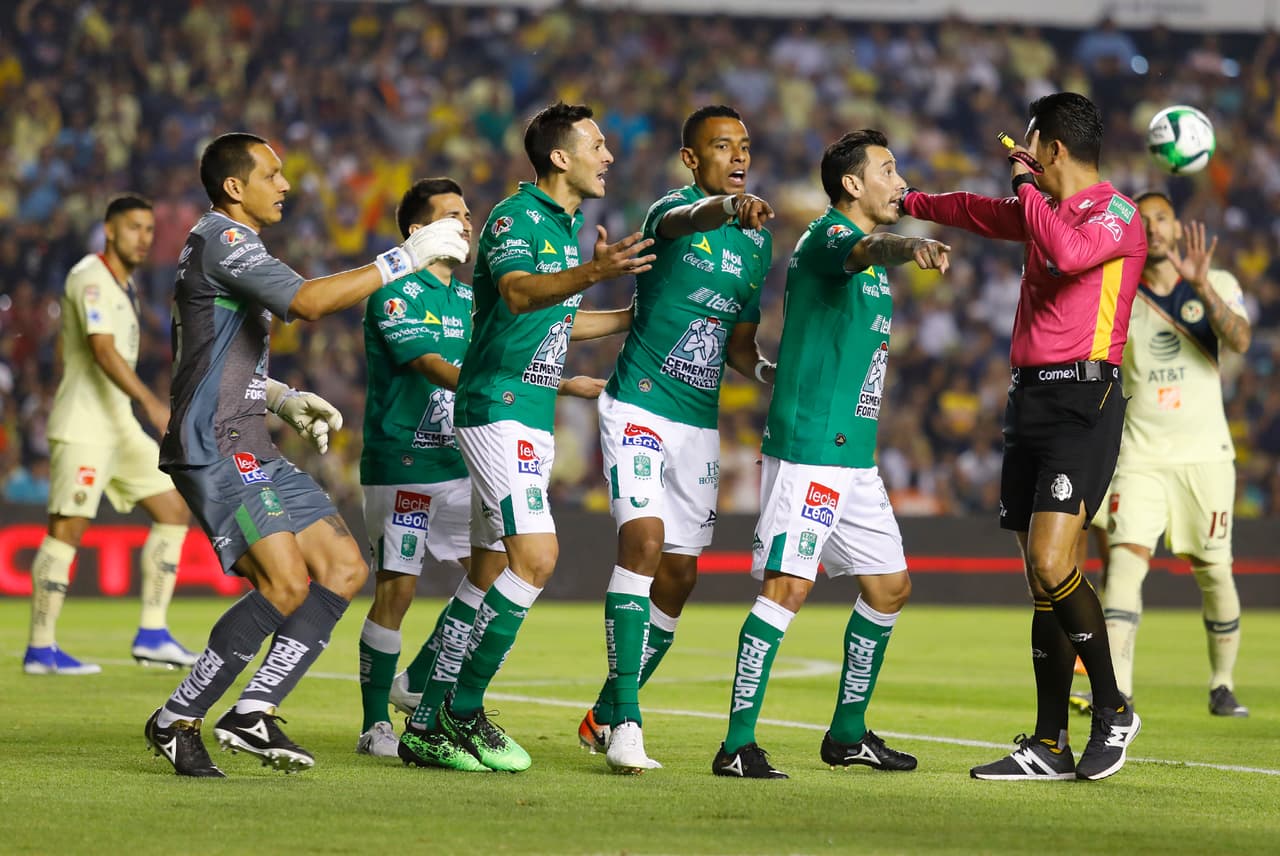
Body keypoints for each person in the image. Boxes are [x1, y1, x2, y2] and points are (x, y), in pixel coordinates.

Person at [143, 132, 469, 777]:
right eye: (271, 174)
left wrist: (281, 397)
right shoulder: (223, 238)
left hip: (248, 435)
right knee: (285, 584)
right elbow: (307, 304)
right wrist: (404, 257)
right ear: (234, 187)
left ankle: (252, 710)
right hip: (215, 442)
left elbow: (208, 353)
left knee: (343, 567)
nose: (285, 184)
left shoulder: (230, 246)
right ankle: (177, 718)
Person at [902, 92, 1146, 781]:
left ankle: (1113, 708)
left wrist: (1023, 185)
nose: (1022, 152)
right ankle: (1049, 743)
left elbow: (1068, 255)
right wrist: (909, 202)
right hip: (1029, 400)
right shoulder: (1046, 210)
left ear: (1051, 148)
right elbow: (973, 210)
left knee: (1050, 560)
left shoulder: (1115, 214)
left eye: (1029, 143)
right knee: (1041, 580)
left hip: (1083, 400)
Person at [712, 129, 951, 779]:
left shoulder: (865, 264)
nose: (900, 182)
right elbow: (870, 245)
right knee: (787, 588)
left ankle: (847, 735)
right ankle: (736, 745)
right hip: (812, 448)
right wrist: (912, 245)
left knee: (890, 587)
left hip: (854, 457)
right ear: (852, 184)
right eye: (887, 170)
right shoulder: (829, 239)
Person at [438, 101, 655, 773]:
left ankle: (426, 702)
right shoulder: (515, 216)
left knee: (495, 566)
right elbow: (517, 293)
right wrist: (594, 274)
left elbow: (557, 318)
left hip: (530, 413)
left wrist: (633, 315)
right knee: (536, 558)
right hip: (497, 405)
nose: (609, 156)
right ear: (560, 157)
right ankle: (458, 711)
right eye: (597, 144)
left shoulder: (564, 225)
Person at [575, 105, 776, 774]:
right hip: (638, 405)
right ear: (692, 159)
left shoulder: (757, 243)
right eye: (722, 146)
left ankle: (604, 708)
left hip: (697, 424)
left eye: (744, 146)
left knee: (681, 574)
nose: (738, 156)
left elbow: (740, 344)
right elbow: (693, 218)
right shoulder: (673, 211)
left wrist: (772, 374)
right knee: (643, 543)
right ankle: (628, 724)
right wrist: (728, 208)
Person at [1070, 193, 1251, 718]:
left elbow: (1240, 340)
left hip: (1205, 455)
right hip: (1141, 456)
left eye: (1162, 218)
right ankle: (1118, 693)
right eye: (1143, 220)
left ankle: (1222, 684)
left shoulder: (1218, 283)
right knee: (1125, 565)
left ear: (1177, 227)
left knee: (1214, 571)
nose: (1153, 227)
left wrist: (1201, 287)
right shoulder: (1119, 294)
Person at [25, 194, 198, 676]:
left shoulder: (126, 286)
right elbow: (101, 350)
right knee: (68, 529)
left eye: (149, 229)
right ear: (109, 230)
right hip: (85, 424)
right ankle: (41, 648)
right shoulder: (90, 276)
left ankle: (153, 634)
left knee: (173, 508)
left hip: (118, 424)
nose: (143, 237)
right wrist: (150, 402)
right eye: (133, 227)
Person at [349, 176, 488, 771]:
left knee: (498, 571)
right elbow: (428, 363)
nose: (467, 223)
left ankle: (419, 676)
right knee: (397, 590)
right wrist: (497, 388)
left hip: (458, 465)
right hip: (401, 464)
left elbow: (540, 331)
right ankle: (374, 723)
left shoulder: (473, 299)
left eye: (467, 213)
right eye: (452, 214)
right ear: (417, 231)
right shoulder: (394, 293)